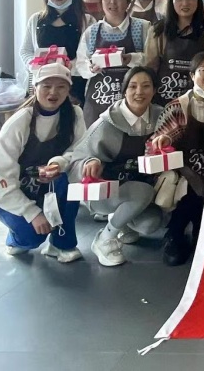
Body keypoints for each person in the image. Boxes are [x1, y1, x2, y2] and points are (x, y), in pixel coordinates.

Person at [0, 63, 86, 263]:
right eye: (46, 86)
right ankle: (16, 238)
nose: (53, 92)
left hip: (49, 187)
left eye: (61, 87)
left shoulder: (74, 114)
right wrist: (32, 213)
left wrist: (59, 163)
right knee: (32, 237)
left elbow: (79, 150)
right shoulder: (19, 122)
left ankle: (62, 244)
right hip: (11, 193)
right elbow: (3, 177)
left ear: (68, 89)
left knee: (71, 178)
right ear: (35, 88)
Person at [71, 66, 165, 267]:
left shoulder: (161, 118)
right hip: (107, 190)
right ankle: (104, 239)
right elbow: (76, 158)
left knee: (151, 223)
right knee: (142, 192)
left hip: (140, 187)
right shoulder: (107, 123)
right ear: (124, 90)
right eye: (133, 86)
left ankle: (123, 222)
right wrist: (90, 162)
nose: (139, 92)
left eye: (146, 86)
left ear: (154, 90)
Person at [149, 52, 204, 266]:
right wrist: (165, 139)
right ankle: (175, 234)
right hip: (182, 170)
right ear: (193, 75)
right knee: (193, 188)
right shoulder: (177, 106)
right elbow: (160, 139)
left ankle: (202, 234)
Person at [75, 0, 151, 126]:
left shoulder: (142, 27)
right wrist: (90, 68)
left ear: (128, 2)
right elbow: (80, 64)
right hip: (99, 98)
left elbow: (152, 59)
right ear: (101, 2)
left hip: (134, 99)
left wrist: (131, 59)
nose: (113, 2)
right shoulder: (91, 31)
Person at [18, 0, 94, 102]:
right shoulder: (36, 19)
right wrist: (36, 66)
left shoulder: (87, 20)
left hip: (76, 85)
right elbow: (25, 51)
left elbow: (90, 54)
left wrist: (66, 68)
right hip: (43, 85)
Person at [144, 0, 204, 105]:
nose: (185, 3)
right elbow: (150, 68)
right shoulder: (158, 30)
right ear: (172, 1)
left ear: (198, 1)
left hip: (199, 101)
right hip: (164, 99)